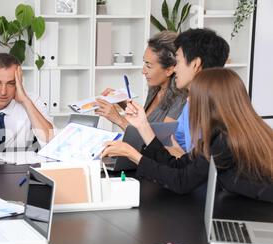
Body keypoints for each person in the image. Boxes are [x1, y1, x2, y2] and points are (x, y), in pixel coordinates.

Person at [102, 68, 273, 203]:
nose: (189, 100)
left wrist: (133, 155)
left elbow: (182, 182)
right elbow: (178, 167)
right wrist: (142, 125)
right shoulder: (224, 133)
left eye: (193, 95)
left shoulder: (226, 141)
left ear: (211, 102)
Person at [95, 31, 187, 129]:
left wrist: (118, 119)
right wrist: (122, 102)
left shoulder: (180, 100)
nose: (143, 71)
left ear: (169, 70)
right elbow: (142, 124)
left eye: (149, 66)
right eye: (144, 63)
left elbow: (158, 142)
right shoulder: (155, 89)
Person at [170, 28, 230, 156]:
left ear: (196, 64)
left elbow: (200, 167)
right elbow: (176, 141)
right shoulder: (190, 103)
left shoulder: (211, 108)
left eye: (178, 62)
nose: (174, 69)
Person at [0, 53, 54, 149]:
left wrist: (25, 101)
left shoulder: (32, 100)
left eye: (11, 83)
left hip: (19, 163)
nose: (3, 92)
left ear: (19, 81)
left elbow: (51, 141)